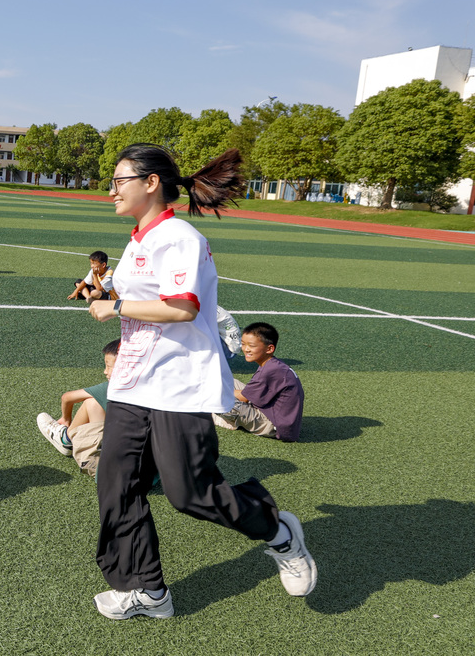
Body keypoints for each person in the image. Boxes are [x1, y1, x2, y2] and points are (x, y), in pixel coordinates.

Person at [86, 144, 316, 620]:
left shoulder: (180, 237)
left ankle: (277, 530)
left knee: (189, 492)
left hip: (177, 383)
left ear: (151, 183)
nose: (111, 190)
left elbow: (182, 307)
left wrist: (116, 307)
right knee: (117, 484)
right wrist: (106, 291)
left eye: (119, 180)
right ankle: (146, 589)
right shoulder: (138, 239)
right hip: (133, 381)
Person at [36, 339, 121, 477]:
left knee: (91, 403)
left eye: (108, 366)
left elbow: (67, 398)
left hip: (110, 474)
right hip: (150, 475)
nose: (105, 371)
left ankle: (66, 439)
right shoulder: (156, 390)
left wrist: (65, 418)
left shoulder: (112, 387)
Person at [214, 322, 304, 442]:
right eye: (243, 344)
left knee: (217, 398)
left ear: (269, 348)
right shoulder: (273, 365)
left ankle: (225, 419)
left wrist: (214, 391)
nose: (246, 349)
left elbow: (243, 398)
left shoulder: (271, 370)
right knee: (227, 382)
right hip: (273, 414)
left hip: (273, 426)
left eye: (251, 345)